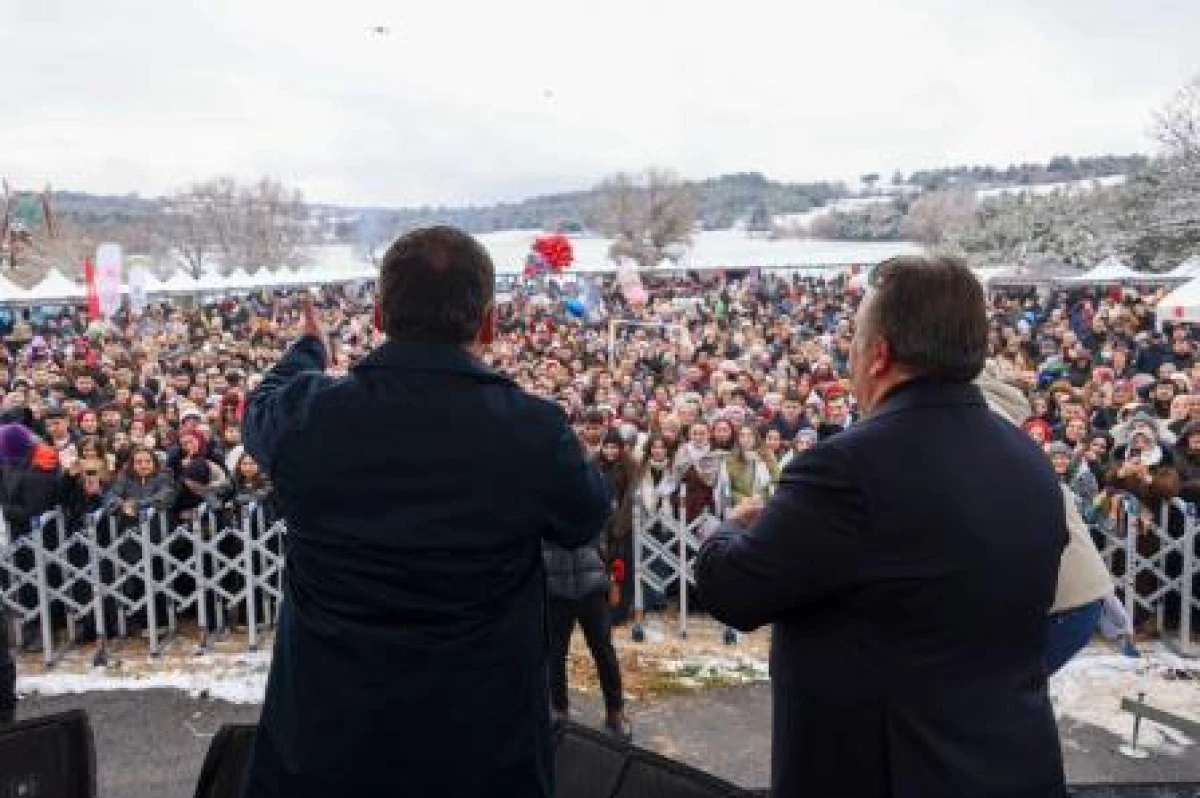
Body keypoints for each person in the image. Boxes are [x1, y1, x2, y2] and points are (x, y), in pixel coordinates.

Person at [240, 227, 610, 798]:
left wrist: (311, 348)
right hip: (481, 753)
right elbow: (585, 516)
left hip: (327, 746)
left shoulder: (309, 417)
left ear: (380, 316)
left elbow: (259, 406)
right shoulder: (531, 429)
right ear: (487, 323)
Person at [696, 256, 1068, 798]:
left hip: (887, 775)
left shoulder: (845, 469)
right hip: (1014, 767)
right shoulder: (1027, 457)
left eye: (854, 338)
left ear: (879, 355)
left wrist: (730, 530)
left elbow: (734, 591)